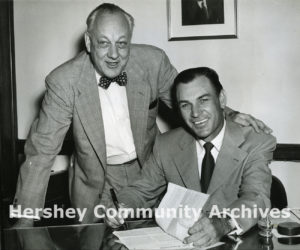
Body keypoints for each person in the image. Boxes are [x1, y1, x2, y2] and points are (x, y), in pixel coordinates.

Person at [12, 3, 271, 227]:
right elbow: (40, 153)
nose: (114, 55)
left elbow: (190, 101)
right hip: (92, 183)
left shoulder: (152, 62)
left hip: (148, 174)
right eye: (104, 43)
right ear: (89, 42)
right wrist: (23, 224)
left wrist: (230, 114)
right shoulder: (64, 81)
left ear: (130, 41)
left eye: (122, 44)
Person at [106, 67, 276, 248]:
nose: (195, 113)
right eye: (185, 105)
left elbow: (256, 197)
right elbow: (141, 190)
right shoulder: (166, 144)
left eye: (203, 100)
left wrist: (224, 223)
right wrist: (120, 207)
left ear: (221, 99)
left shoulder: (256, 142)